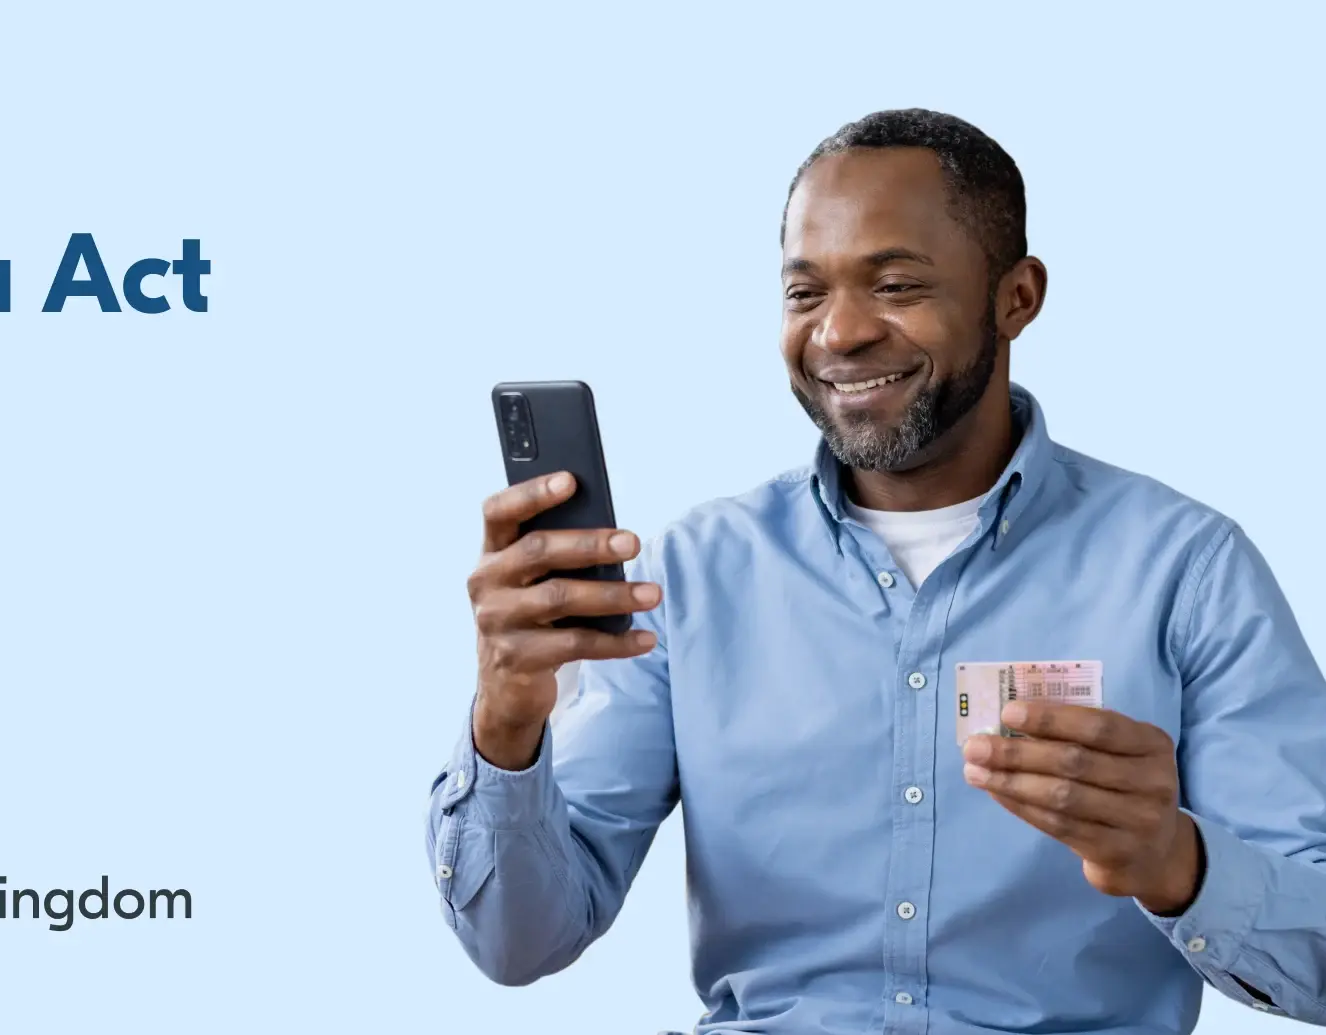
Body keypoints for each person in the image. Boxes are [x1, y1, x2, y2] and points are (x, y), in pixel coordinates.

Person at [425, 109, 1326, 1033]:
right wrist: (505, 725)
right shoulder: (687, 577)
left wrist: (1181, 862)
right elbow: (519, 942)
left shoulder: (1188, 571)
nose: (840, 333)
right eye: (804, 293)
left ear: (1016, 297)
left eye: (895, 284)